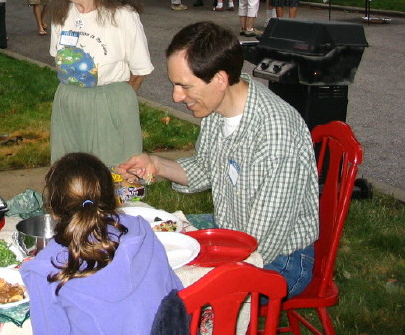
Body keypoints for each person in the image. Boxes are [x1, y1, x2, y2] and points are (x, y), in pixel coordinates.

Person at [116, 21, 318, 298]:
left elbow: (258, 246)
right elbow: (205, 170)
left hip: (281, 261)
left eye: (185, 86)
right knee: (141, 237)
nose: (176, 96)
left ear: (220, 79)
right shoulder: (218, 108)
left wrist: (194, 266)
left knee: (159, 286)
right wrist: (156, 164)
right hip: (232, 227)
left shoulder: (275, 133)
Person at [20, 152, 184, 335]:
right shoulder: (141, 230)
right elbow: (177, 296)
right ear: (113, 198)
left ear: (54, 211)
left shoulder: (45, 269)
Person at [45, 0, 153, 167]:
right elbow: (59, 60)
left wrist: (113, 105)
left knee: (113, 177)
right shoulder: (61, 15)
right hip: (67, 104)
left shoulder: (122, 16)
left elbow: (140, 71)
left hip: (110, 107)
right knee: (71, 176)